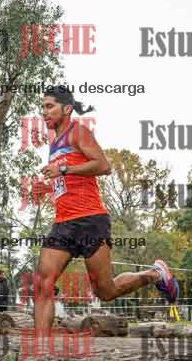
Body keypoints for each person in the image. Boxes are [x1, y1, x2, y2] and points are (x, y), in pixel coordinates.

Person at [27, 85, 177, 333]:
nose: (44, 112)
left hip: (90, 221)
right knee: (42, 283)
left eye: (49, 106)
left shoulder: (79, 132)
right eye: (42, 107)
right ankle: (40, 349)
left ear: (67, 109)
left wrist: (63, 169)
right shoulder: (54, 143)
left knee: (105, 291)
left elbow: (104, 165)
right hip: (63, 223)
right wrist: (47, 187)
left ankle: (155, 274)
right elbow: (67, 180)